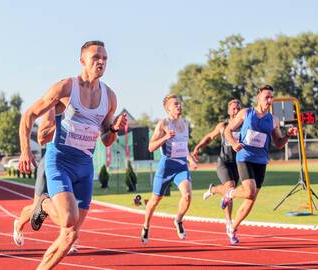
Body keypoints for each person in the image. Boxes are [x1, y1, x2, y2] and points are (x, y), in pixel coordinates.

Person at [18, 40, 127, 270]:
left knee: (70, 236)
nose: (101, 62)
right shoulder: (66, 87)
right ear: (82, 60)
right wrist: (25, 151)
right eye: (96, 57)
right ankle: (44, 203)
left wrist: (115, 128)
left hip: (85, 167)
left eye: (105, 59)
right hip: (60, 162)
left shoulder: (110, 97)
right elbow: (28, 115)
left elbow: (106, 139)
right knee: (68, 219)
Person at [221, 84, 297, 244]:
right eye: (266, 97)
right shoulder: (246, 113)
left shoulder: (273, 120)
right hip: (244, 157)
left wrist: (288, 135)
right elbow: (227, 131)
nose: (269, 100)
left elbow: (278, 144)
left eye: (271, 97)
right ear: (258, 97)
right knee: (249, 191)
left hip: (261, 161)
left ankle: (232, 228)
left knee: (251, 199)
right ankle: (229, 194)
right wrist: (234, 143)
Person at [141, 94, 197, 244]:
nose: (179, 106)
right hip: (166, 167)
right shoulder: (163, 123)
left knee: (187, 196)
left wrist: (190, 160)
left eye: (180, 103)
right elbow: (151, 147)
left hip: (181, 167)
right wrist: (165, 137)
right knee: (155, 200)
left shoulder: (185, 124)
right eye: (175, 104)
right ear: (168, 109)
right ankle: (146, 225)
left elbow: (183, 147)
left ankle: (178, 220)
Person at [192, 99, 242, 240]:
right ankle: (229, 225)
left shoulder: (244, 126)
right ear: (228, 111)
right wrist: (197, 147)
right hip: (223, 162)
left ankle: (213, 189)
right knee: (230, 187)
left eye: (238, 108)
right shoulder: (223, 126)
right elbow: (209, 137)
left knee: (230, 195)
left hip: (238, 164)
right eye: (233, 108)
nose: (236, 110)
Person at [13, 106, 57, 246]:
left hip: (72, 164)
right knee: (36, 208)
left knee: (69, 205)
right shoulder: (54, 107)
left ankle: (69, 238)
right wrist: (62, 127)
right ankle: (18, 225)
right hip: (51, 162)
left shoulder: (85, 105)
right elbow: (41, 138)